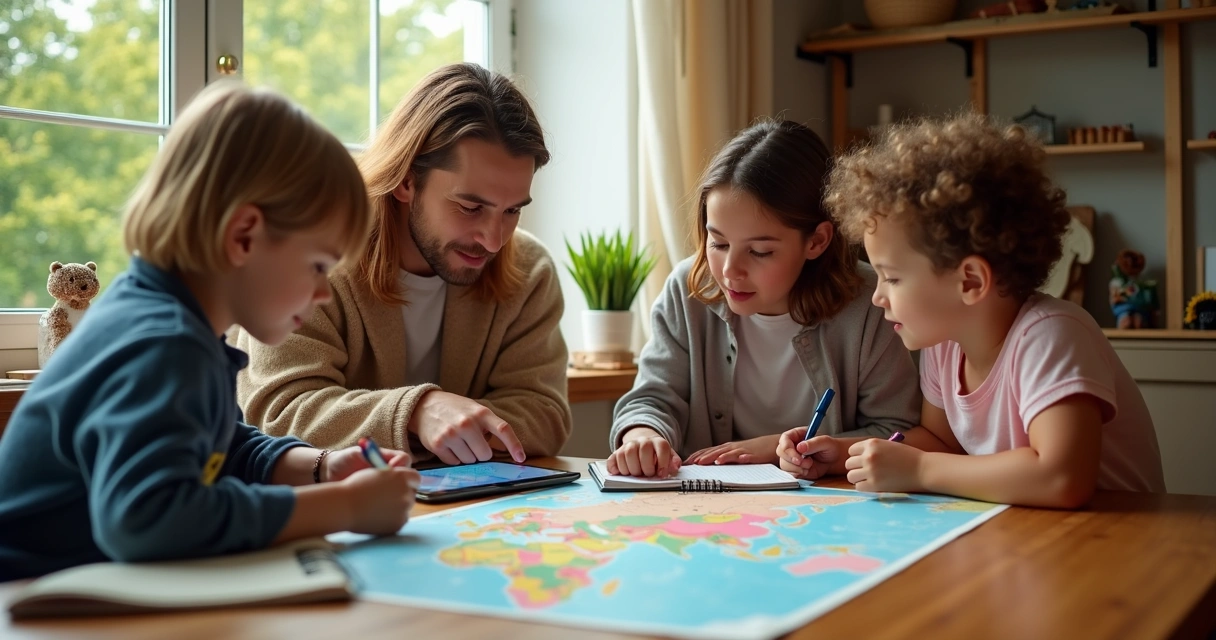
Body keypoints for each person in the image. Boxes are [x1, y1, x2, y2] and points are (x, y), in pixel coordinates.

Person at [0, 81, 419, 582]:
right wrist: (344, 509)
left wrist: (318, 467)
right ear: (243, 236)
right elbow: (146, 520)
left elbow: (216, 447)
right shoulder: (164, 343)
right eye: (317, 266)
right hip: (31, 598)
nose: (324, 293)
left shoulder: (166, 320)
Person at [777, 113, 1165, 507]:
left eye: (891, 278)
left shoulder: (1052, 335)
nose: (878, 297)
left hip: (1118, 542)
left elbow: (1060, 477)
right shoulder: (946, 344)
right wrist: (842, 455)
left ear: (971, 282)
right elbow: (941, 443)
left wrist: (919, 471)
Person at [234, 63, 572, 466]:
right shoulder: (314, 258)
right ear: (407, 180)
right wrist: (417, 412)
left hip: (455, 510)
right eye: (470, 207)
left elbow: (545, 415)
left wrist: (440, 421)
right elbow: (277, 410)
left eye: (512, 210)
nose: (494, 239)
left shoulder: (529, 269)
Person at [606, 120, 921, 478]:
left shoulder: (871, 302)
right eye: (719, 244)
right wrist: (642, 435)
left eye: (759, 251)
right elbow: (652, 398)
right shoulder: (687, 291)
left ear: (816, 241)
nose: (730, 271)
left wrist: (773, 449)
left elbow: (896, 432)